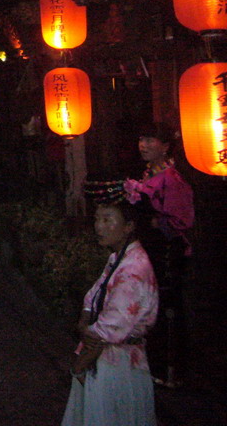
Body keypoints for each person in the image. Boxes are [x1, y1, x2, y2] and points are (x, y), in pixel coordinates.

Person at [61, 182, 158, 426]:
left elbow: (110, 328)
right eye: (97, 219)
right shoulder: (119, 258)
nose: (99, 227)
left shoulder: (134, 269)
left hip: (119, 364)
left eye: (107, 220)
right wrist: (85, 319)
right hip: (107, 359)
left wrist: (83, 344)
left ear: (128, 227)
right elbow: (93, 296)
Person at [124, 121, 194, 388]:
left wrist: (154, 221)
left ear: (166, 146)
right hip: (150, 249)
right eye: (142, 139)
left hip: (167, 251)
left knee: (167, 307)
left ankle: (171, 369)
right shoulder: (149, 173)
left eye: (151, 140)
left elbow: (182, 221)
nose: (144, 145)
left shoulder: (172, 178)